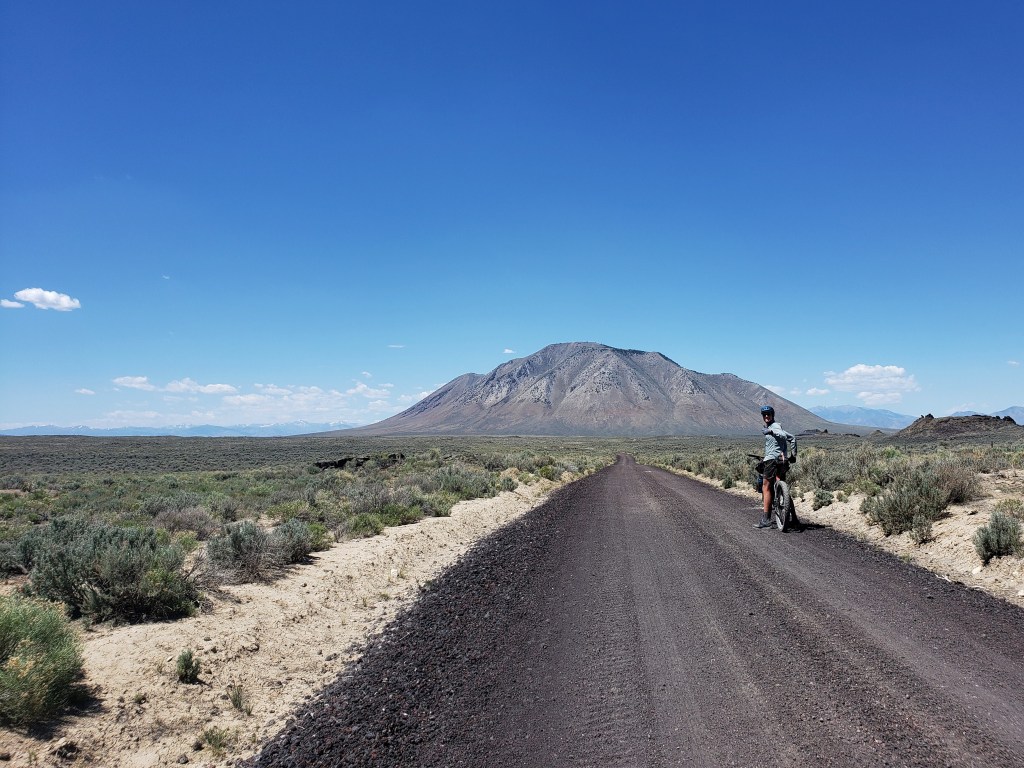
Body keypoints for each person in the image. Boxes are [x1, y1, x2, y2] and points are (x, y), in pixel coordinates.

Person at [754, 405, 798, 529]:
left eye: (768, 414)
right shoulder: (773, 427)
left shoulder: (775, 426)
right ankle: (793, 518)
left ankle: (766, 520)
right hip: (782, 461)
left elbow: (781, 434)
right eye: (764, 414)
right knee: (783, 489)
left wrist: (771, 431)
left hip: (772, 461)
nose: (766, 416)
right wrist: (793, 455)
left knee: (766, 486)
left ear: (772, 415)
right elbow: (793, 438)